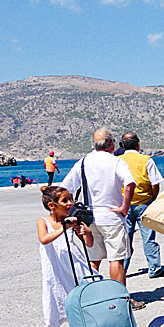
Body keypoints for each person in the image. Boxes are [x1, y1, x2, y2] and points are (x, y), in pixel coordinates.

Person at [60, 129, 139, 303]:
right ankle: (119, 298)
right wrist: (124, 207)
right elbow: (130, 184)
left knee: (93, 261)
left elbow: (66, 188)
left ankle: (92, 297)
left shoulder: (83, 162)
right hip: (111, 218)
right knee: (115, 260)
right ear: (111, 144)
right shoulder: (116, 162)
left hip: (89, 217)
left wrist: (70, 210)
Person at [36, 186, 93, 327]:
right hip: (55, 269)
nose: (70, 203)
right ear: (52, 206)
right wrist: (65, 227)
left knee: (86, 299)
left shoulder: (73, 220)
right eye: (65, 200)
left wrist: (87, 232)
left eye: (71, 199)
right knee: (53, 301)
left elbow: (88, 244)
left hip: (74, 265)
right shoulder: (43, 222)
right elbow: (44, 239)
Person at [118, 132, 164, 278]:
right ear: (138, 144)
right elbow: (155, 183)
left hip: (124, 206)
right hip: (144, 204)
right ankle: (154, 268)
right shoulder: (146, 160)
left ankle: (123, 270)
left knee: (125, 239)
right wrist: (153, 198)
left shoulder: (118, 160)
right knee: (149, 238)